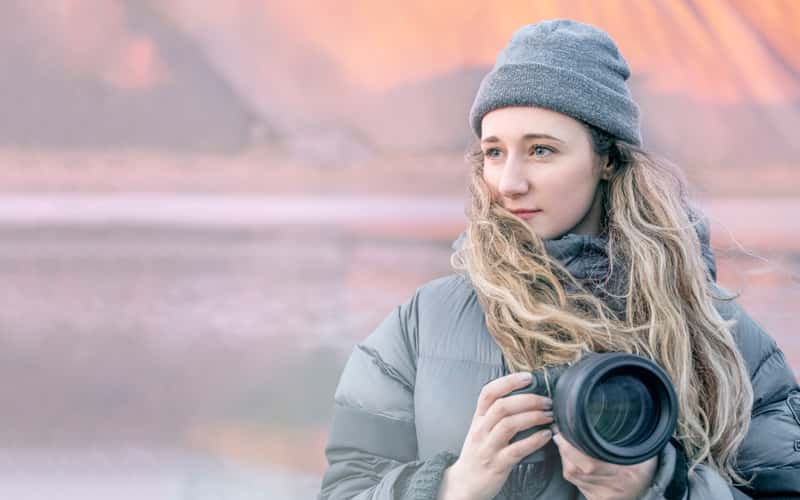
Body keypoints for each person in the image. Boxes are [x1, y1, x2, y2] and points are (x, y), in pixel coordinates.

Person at [317, 19, 800, 500]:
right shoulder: (422, 324)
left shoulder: (721, 335)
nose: (509, 182)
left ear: (606, 159)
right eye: (494, 152)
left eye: (541, 150)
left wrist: (657, 488)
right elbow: (345, 488)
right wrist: (452, 486)